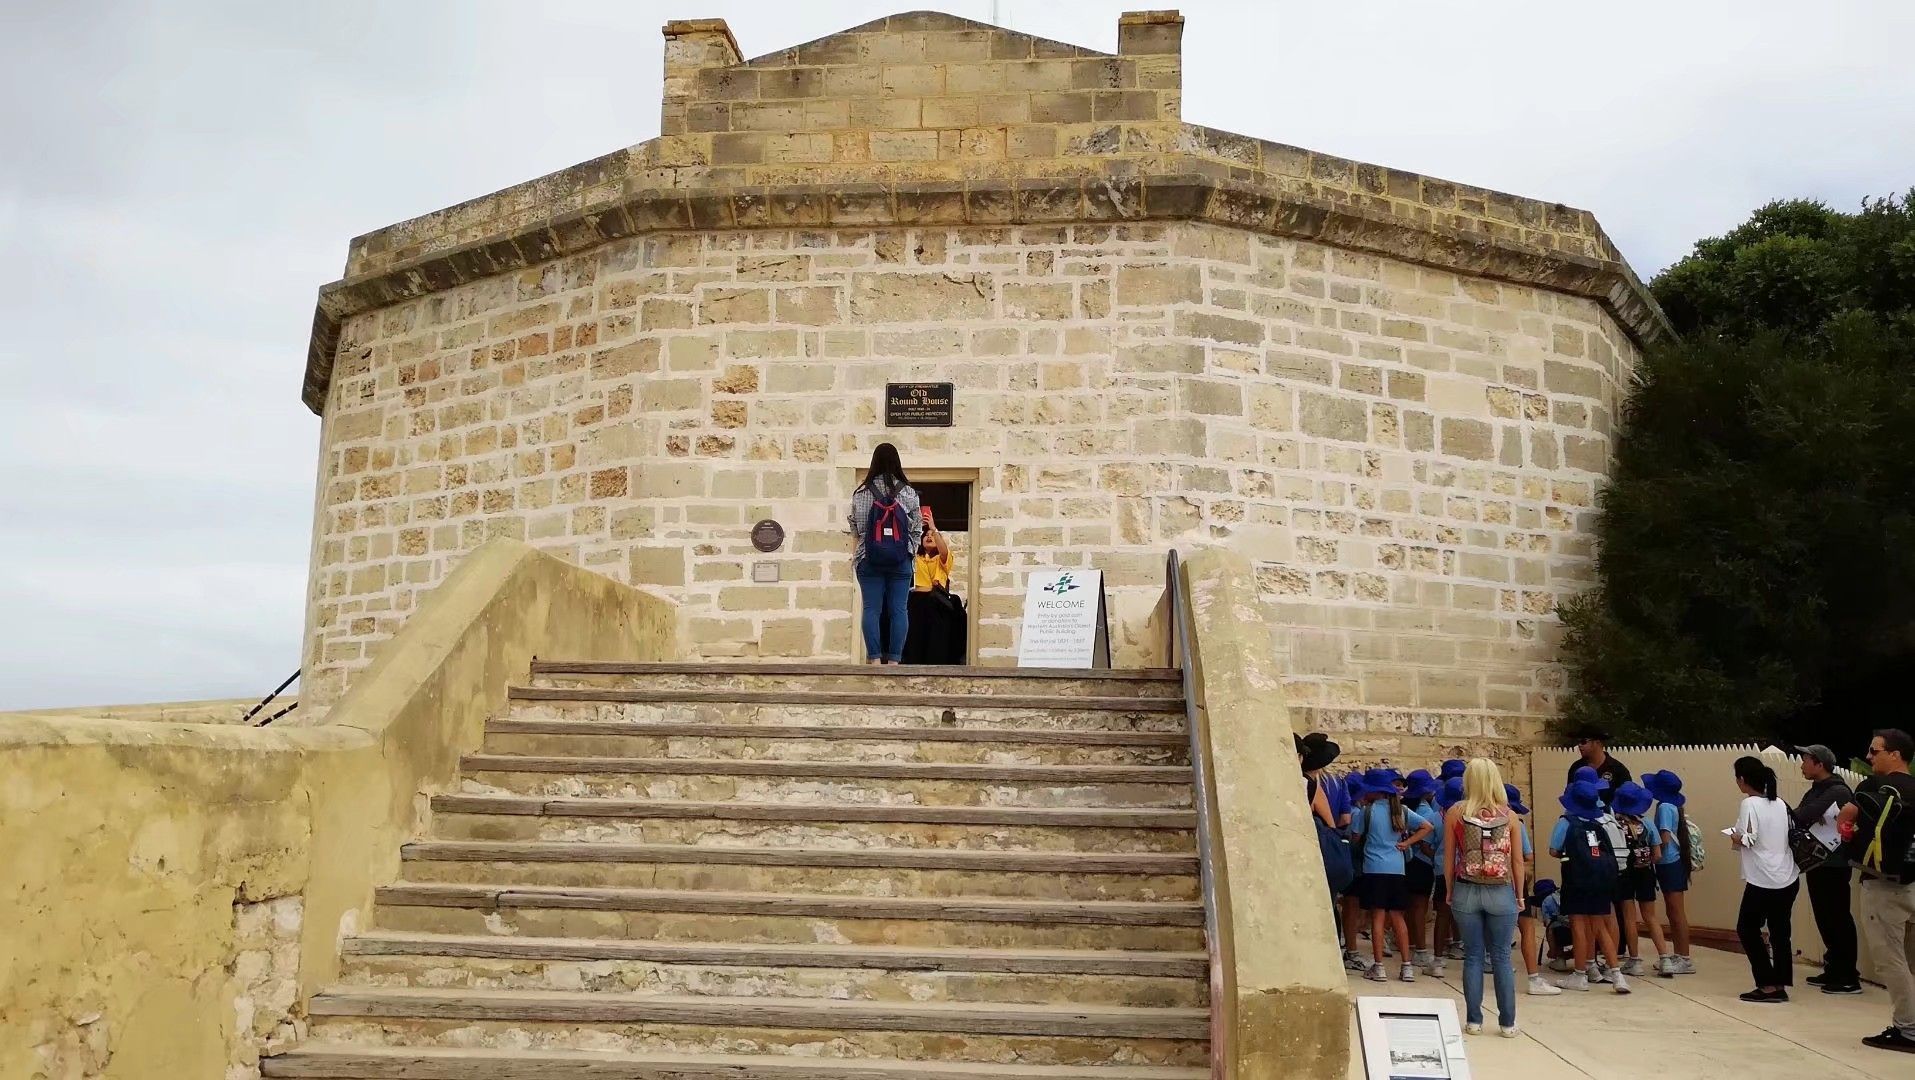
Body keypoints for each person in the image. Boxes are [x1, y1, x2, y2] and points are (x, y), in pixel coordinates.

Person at [1837, 728, 1915, 1054]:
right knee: (1910, 961)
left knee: (1891, 960)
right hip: (1912, 881)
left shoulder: (1873, 786)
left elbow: (1846, 819)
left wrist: (1846, 827)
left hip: (1883, 885)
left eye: (1874, 750)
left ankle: (1908, 1030)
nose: (1869, 757)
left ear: (1895, 754)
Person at [1442, 759, 1525, 1036]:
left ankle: (1474, 1020)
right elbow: (1517, 861)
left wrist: (1450, 889)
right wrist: (1520, 895)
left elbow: (1449, 857)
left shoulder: (1455, 813)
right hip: (1501, 890)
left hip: (1466, 889)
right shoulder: (1510, 816)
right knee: (1501, 957)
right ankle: (1507, 1023)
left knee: (1473, 956)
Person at [1352, 768, 1433, 983]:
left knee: (1378, 917)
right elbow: (1427, 827)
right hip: (1397, 868)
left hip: (1373, 868)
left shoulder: (1366, 812)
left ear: (1373, 791)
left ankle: (1379, 966)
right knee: (1398, 917)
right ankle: (1407, 967)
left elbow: (1356, 837)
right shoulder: (1401, 810)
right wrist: (1407, 843)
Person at [1791, 744, 1860, 995]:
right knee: (1824, 916)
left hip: (1835, 863)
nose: (1802, 765)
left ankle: (1848, 975)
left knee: (1838, 917)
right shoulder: (1817, 789)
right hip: (1818, 862)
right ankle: (1834, 968)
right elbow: (1801, 815)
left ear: (1819, 764)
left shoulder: (1837, 791)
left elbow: (1803, 814)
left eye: (1806, 760)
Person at [1729, 755, 1798, 1003]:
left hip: (1763, 878)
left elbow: (1749, 838)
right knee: (1781, 932)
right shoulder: (1780, 803)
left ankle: (1767, 984)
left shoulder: (1749, 803)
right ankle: (1779, 983)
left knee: (1747, 929)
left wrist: (1734, 837)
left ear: (1742, 779)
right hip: (1787, 876)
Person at [1550, 780, 1629, 993]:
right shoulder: (1599, 825)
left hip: (1575, 881)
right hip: (1600, 881)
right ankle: (1617, 975)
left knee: (1578, 926)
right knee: (1600, 926)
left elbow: (1554, 850)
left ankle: (1580, 974)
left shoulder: (1567, 823)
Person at [847, 443, 921, 665]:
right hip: (900, 560)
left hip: (868, 558)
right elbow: (917, 529)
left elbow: (856, 528)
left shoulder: (861, 493)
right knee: (899, 609)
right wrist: (910, 552)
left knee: (871, 609)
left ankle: (875, 660)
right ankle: (895, 661)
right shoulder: (908, 492)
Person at [1506, 784, 1562, 996]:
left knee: (1495, 929)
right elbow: (1528, 856)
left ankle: (1497, 967)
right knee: (1527, 927)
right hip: (1514, 881)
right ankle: (1533, 978)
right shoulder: (1516, 823)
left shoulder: (1481, 819)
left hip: (1488, 880)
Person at [1611, 781, 1671, 976]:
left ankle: (1635, 960)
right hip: (1645, 872)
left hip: (1624, 874)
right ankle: (1665, 958)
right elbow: (1658, 854)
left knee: (1629, 917)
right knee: (1650, 916)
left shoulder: (1616, 825)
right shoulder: (1647, 823)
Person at [1644, 769, 1698, 976]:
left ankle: (1684, 957)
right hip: (1673, 862)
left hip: (1669, 863)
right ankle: (1679, 955)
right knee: (1673, 911)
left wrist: (1653, 854)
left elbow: (1664, 837)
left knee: (1675, 912)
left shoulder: (1665, 807)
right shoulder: (1673, 806)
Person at [902, 507, 964, 665]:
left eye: (932, 536)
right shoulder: (916, 558)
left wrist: (933, 528)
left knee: (936, 640)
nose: (929, 537)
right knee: (915, 638)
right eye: (926, 535)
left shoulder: (941, 560)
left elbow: (944, 552)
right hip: (916, 602)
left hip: (937, 603)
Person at [1402, 770, 1442, 974]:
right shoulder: (1427, 812)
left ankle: (1409, 943)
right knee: (1420, 907)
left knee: (1409, 906)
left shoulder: (1404, 807)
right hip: (1422, 862)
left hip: (1406, 861)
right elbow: (1426, 842)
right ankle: (1420, 948)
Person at [1567, 727, 1631, 791]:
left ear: (1597, 742)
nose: (1579, 745)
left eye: (1583, 741)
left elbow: (1627, 794)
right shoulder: (1576, 768)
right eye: (1578, 742)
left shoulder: (1618, 770)